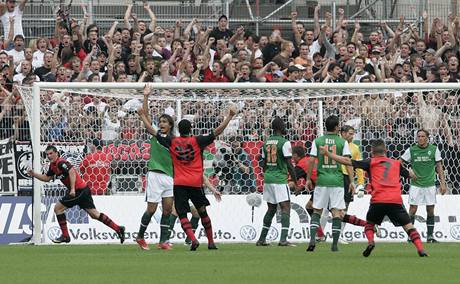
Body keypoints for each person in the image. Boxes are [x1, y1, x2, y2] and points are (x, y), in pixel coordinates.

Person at [320, 139, 428, 257]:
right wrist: (412, 174)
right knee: (408, 226)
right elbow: (412, 176)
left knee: (370, 225)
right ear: (386, 150)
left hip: (378, 200)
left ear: (372, 151)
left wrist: (328, 154)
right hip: (395, 200)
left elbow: (347, 161)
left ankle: (371, 242)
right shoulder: (396, 163)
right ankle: (421, 249)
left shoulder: (370, 162)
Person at [156, 104, 238, 250]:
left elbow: (153, 132)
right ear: (191, 129)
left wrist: (142, 117)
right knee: (202, 212)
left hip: (180, 183)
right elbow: (217, 131)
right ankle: (211, 242)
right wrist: (230, 116)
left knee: (182, 214)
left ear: (178, 130)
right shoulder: (198, 141)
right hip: (195, 183)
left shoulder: (172, 141)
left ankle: (193, 239)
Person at [27, 145, 125, 244]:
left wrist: (72, 189)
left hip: (78, 190)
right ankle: (118, 228)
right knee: (94, 214)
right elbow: (47, 178)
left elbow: (72, 172)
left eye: (51, 153)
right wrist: (33, 174)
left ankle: (65, 236)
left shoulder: (61, 162)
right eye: (47, 154)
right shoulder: (53, 166)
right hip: (84, 189)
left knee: (58, 208)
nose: (49, 156)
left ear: (56, 153)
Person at [134, 85, 175, 250]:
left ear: (171, 125)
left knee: (167, 209)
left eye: (165, 122)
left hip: (170, 177)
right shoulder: (156, 135)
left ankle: (163, 241)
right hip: (155, 176)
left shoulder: (173, 140)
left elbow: (146, 120)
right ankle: (140, 236)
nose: (162, 124)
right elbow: (147, 119)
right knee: (151, 209)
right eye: (161, 122)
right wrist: (146, 97)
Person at [305, 115, 354, 252]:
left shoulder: (318, 141)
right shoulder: (342, 142)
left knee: (316, 211)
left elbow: (311, 161)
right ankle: (334, 245)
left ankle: (312, 240)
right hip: (337, 181)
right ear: (337, 127)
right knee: (336, 212)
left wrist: (308, 179)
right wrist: (351, 181)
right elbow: (347, 162)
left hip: (322, 180)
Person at [256, 117, 297, 247]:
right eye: (284, 126)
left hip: (268, 178)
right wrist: (295, 181)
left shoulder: (266, 142)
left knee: (271, 208)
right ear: (280, 127)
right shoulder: (284, 142)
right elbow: (289, 164)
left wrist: (266, 174)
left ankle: (261, 239)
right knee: (285, 207)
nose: (286, 128)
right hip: (280, 179)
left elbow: (263, 163)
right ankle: (283, 240)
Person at [401, 129, 447, 242]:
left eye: (422, 136)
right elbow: (400, 162)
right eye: (418, 136)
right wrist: (408, 171)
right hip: (416, 185)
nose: (420, 138)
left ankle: (430, 236)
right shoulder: (411, 150)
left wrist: (443, 183)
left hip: (430, 184)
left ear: (427, 137)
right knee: (412, 209)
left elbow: (439, 166)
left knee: (430, 210)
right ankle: (410, 236)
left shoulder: (434, 149)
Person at [339, 125, 368, 244]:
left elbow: (359, 168)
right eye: (350, 133)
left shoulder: (355, 148)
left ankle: (340, 234)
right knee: (327, 207)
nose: (352, 136)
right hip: (336, 176)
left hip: (347, 179)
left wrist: (361, 184)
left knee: (345, 207)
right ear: (343, 133)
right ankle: (321, 235)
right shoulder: (337, 144)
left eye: (353, 134)